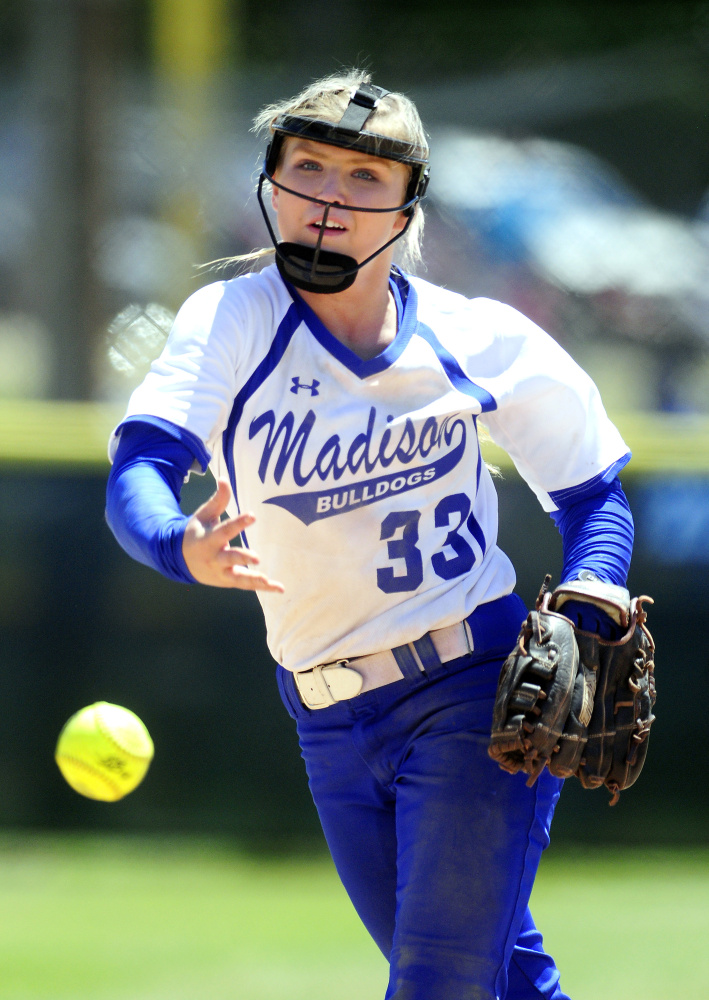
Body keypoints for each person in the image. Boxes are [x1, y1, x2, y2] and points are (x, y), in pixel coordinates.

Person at [106, 70, 635, 1000]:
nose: (328, 199)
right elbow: (140, 469)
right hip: (325, 718)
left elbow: (594, 492)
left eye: (363, 178)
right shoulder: (233, 319)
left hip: (472, 696)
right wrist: (171, 545)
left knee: (436, 982)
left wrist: (593, 589)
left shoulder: (475, 337)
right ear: (270, 183)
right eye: (307, 167)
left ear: (405, 207)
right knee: (499, 977)